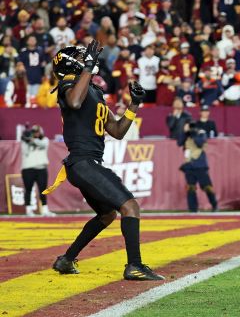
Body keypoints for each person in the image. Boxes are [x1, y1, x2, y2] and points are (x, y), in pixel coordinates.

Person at [47, 41, 163, 280]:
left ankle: (67, 260)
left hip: (87, 164)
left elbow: (118, 130)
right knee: (130, 207)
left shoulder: (94, 91)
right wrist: (87, 67)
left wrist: (134, 105)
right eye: (81, 55)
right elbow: (75, 102)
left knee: (107, 214)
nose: (87, 56)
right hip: (83, 161)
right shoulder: (68, 85)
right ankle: (135, 266)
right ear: (71, 63)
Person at [178, 121, 218, 212]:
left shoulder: (201, 133)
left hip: (200, 164)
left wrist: (194, 134)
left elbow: (200, 143)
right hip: (189, 164)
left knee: (207, 186)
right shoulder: (186, 135)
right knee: (190, 187)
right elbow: (179, 143)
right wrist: (185, 132)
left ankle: (214, 205)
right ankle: (193, 209)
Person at [21, 124, 54, 216]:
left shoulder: (45, 140)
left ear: (41, 132)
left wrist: (32, 140)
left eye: (38, 131)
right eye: (34, 132)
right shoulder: (25, 142)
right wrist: (26, 141)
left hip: (41, 169)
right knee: (28, 189)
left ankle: (45, 210)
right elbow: (25, 152)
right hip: (28, 168)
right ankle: (28, 210)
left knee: (43, 190)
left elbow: (42, 145)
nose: (36, 133)